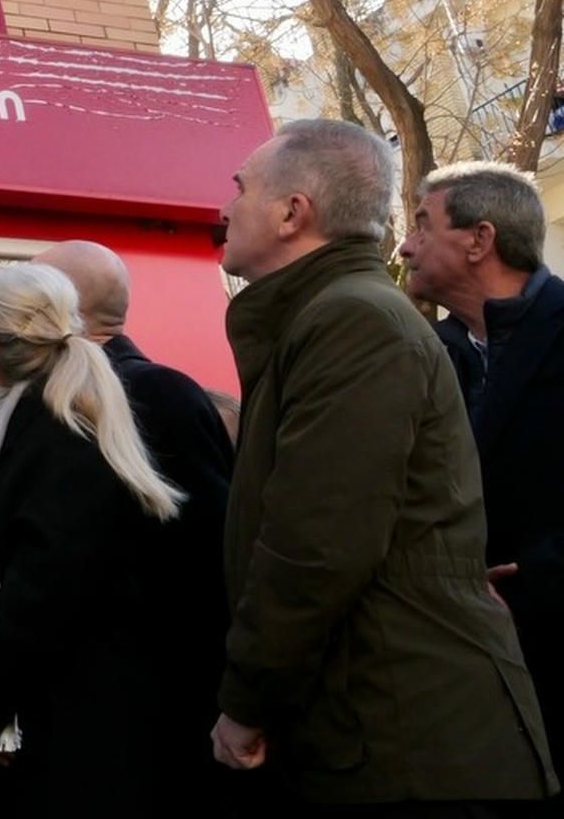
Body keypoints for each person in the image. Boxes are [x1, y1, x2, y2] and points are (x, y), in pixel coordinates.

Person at [214, 119, 555, 809]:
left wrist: (247, 698)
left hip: (410, 734)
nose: (224, 208)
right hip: (387, 716)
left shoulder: (356, 321)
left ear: (292, 212)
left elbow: (317, 540)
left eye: (240, 188)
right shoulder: (339, 318)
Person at [0, 262, 187, 812]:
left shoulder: (49, 433)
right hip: (92, 737)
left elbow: (42, 597)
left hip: (88, 750)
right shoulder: (45, 424)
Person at [34, 240, 234, 807]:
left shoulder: (152, 396)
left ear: (63, 310)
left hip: (157, 728)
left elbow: (208, 559)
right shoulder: (65, 403)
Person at [398, 160, 564, 806]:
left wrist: (538, 580)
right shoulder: (424, 351)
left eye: (422, 224)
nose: (405, 246)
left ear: (479, 239)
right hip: (463, 676)